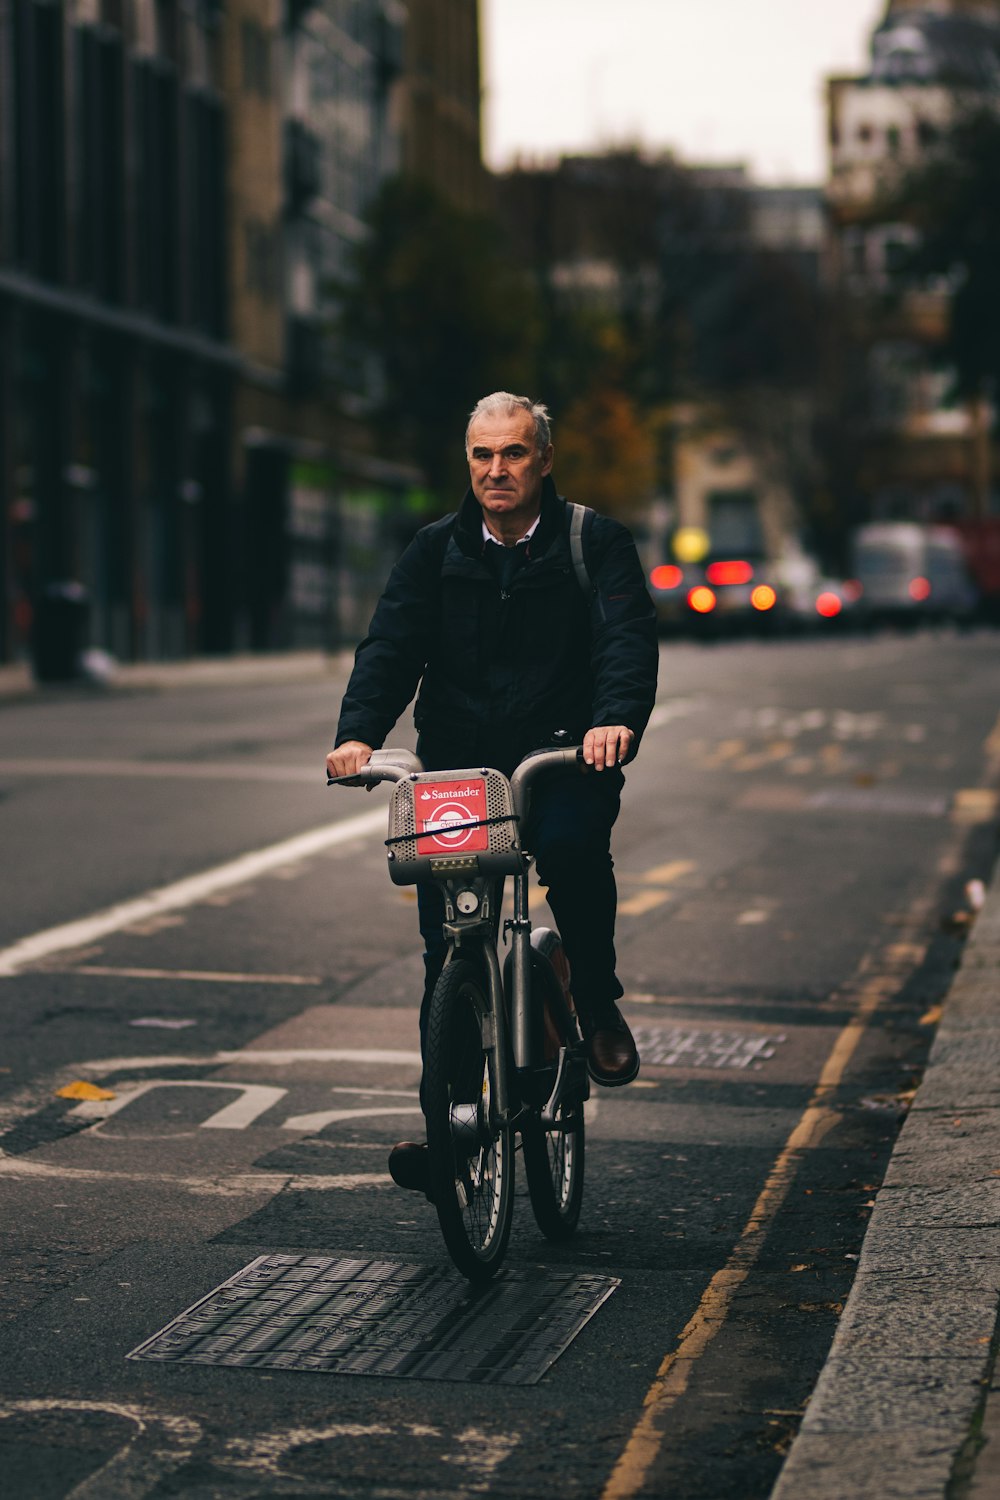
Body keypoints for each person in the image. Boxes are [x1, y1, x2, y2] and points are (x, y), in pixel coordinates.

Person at [327, 391, 658, 1193]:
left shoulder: (593, 542)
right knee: (448, 950)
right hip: (459, 773)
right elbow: (391, 643)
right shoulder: (435, 550)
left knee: (575, 853)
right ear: (467, 462)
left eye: (513, 453)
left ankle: (598, 1004)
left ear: (543, 459)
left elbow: (625, 639)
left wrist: (612, 723)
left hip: (561, 758)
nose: (497, 470)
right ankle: (448, 1131)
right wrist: (357, 733)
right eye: (483, 455)